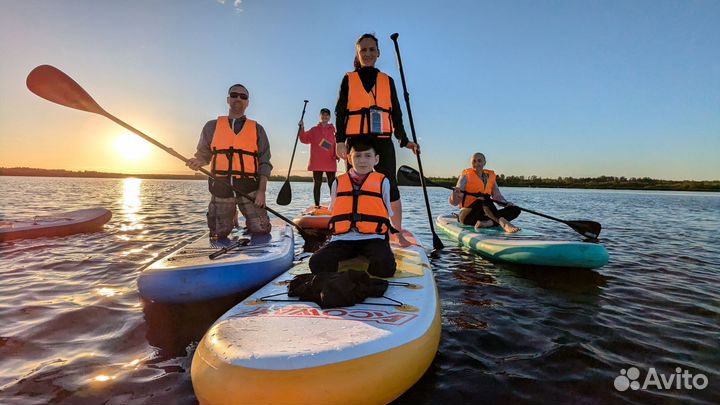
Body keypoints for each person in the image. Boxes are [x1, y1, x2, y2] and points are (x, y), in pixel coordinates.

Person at [334, 33, 419, 237]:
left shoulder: (387, 81)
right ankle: (354, 228)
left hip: (382, 141)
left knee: (389, 183)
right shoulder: (348, 79)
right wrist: (339, 141)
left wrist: (405, 140)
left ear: (378, 53)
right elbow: (340, 112)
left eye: (372, 49)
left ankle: (396, 231)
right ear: (357, 53)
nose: (368, 53)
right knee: (355, 183)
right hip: (355, 141)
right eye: (364, 49)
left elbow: (396, 114)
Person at [186, 84, 273, 238]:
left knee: (261, 229)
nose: (238, 98)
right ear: (228, 99)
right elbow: (203, 154)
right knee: (218, 234)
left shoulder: (257, 129)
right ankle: (230, 218)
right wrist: (198, 161)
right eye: (234, 95)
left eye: (243, 96)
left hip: (249, 189)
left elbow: (265, 162)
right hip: (221, 187)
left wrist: (261, 191)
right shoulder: (211, 126)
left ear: (247, 103)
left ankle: (245, 219)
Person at [308, 139, 397, 277]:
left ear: (376, 159)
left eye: (368, 156)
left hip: (373, 237)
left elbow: (388, 212)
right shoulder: (337, 183)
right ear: (349, 158)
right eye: (357, 156)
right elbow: (334, 211)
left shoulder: (383, 182)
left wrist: (398, 234)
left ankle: (367, 275)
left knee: (386, 267)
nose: (362, 161)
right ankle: (337, 281)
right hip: (343, 239)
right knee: (316, 262)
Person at [449, 152, 521, 233]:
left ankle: (487, 223)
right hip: (467, 216)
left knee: (516, 209)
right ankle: (503, 223)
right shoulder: (465, 177)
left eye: (479, 161)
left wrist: (506, 203)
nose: (476, 164)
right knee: (484, 198)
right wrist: (455, 194)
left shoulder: (490, 177)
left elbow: (498, 197)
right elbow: (454, 203)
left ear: (484, 163)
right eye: (474, 161)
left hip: (485, 215)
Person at [299, 108, 337, 207]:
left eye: (327, 115)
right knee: (317, 184)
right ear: (320, 116)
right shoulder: (314, 130)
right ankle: (317, 205)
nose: (325, 116)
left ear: (329, 117)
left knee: (332, 185)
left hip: (330, 161)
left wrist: (337, 154)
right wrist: (301, 128)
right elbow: (304, 139)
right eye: (323, 115)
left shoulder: (334, 131)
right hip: (317, 161)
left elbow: (336, 144)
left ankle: (334, 205)